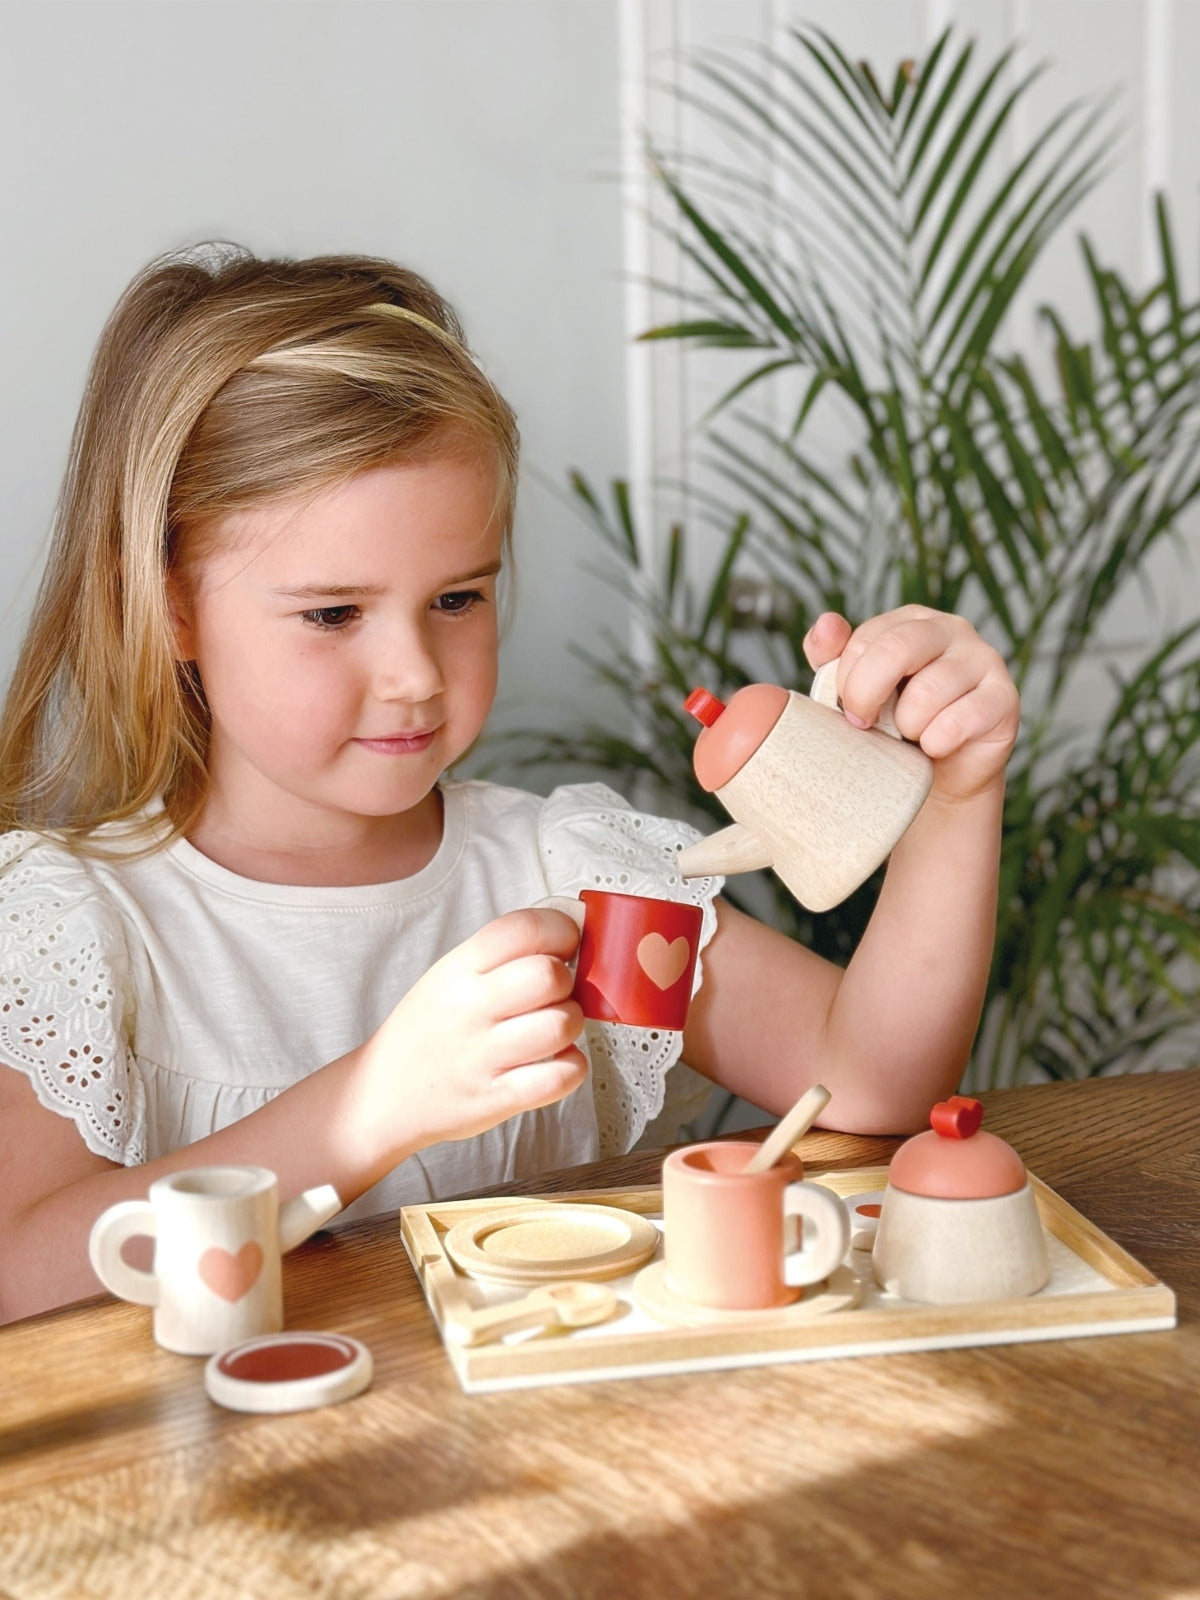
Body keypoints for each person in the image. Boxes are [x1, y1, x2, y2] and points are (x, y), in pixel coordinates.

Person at [0, 247, 1020, 1322]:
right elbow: (18, 1273)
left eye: (456, 599)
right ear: (167, 606)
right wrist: (366, 1111)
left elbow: (871, 1080)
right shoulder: (81, 930)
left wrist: (959, 794)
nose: (411, 674)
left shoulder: (573, 890)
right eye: (333, 613)